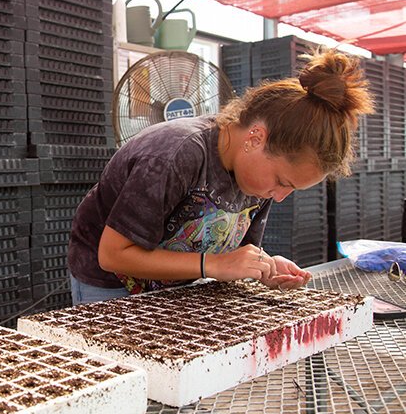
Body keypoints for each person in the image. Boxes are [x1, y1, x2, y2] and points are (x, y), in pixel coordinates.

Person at [68, 48, 374, 304]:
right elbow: (113, 254)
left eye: (291, 189)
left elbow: (235, 251)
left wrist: (264, 265)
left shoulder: (259, 183)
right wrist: (213, 265)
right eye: (282, 182)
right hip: (111, 282)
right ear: (255, 138)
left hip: (177, 280)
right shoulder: (174, 155)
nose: (279, 196)